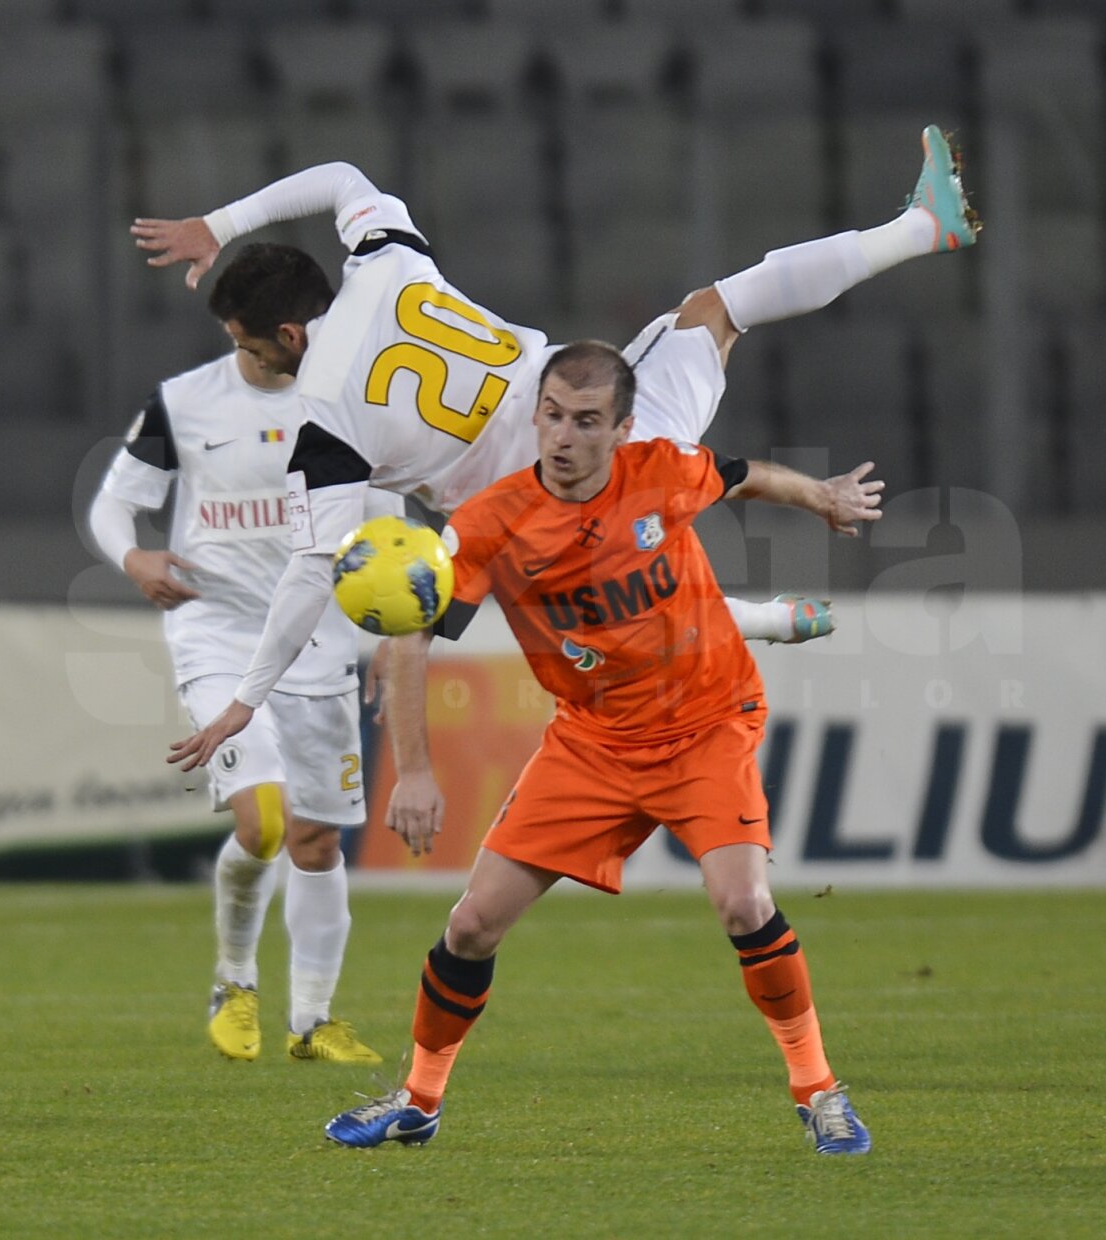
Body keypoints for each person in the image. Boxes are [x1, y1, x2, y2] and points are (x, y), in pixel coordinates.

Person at [145, 124, 977, 770]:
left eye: (250, 350)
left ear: (287, 334)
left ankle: (763, 618)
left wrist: (248, 699)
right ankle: (917, 228)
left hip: (544, 511)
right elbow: (339, 180)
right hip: (607, 419)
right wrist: (219, 223)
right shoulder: (385, 262)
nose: (249, 366)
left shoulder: (325, 423)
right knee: (716, 311)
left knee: (579, 625)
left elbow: (307, 571)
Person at [321, 341, 883, 1154]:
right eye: (551, 415)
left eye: (586, 421)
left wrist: (822, 498)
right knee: (473, 924)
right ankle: (418, 1099)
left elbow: (739, 472)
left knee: (744, 904)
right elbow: (411, 633)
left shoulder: (663, 470)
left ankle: (819, 1090)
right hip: (592, 744)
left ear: (621, 429)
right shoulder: (493, 521)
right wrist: (412, 768)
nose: (563, 436)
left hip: (706, 724)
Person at [89, 243, 402, 1066]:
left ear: (291, 335)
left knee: (316, 843)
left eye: (247, 338)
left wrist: (385, 638)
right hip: (217, 632)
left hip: (320, 643)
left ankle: (312, 1020)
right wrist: (133, 558)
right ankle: (233, 980)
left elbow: (389, 539)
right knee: (262, 821)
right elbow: (115, 506)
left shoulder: (357, 406)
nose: (239, 352)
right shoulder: (185, 402)